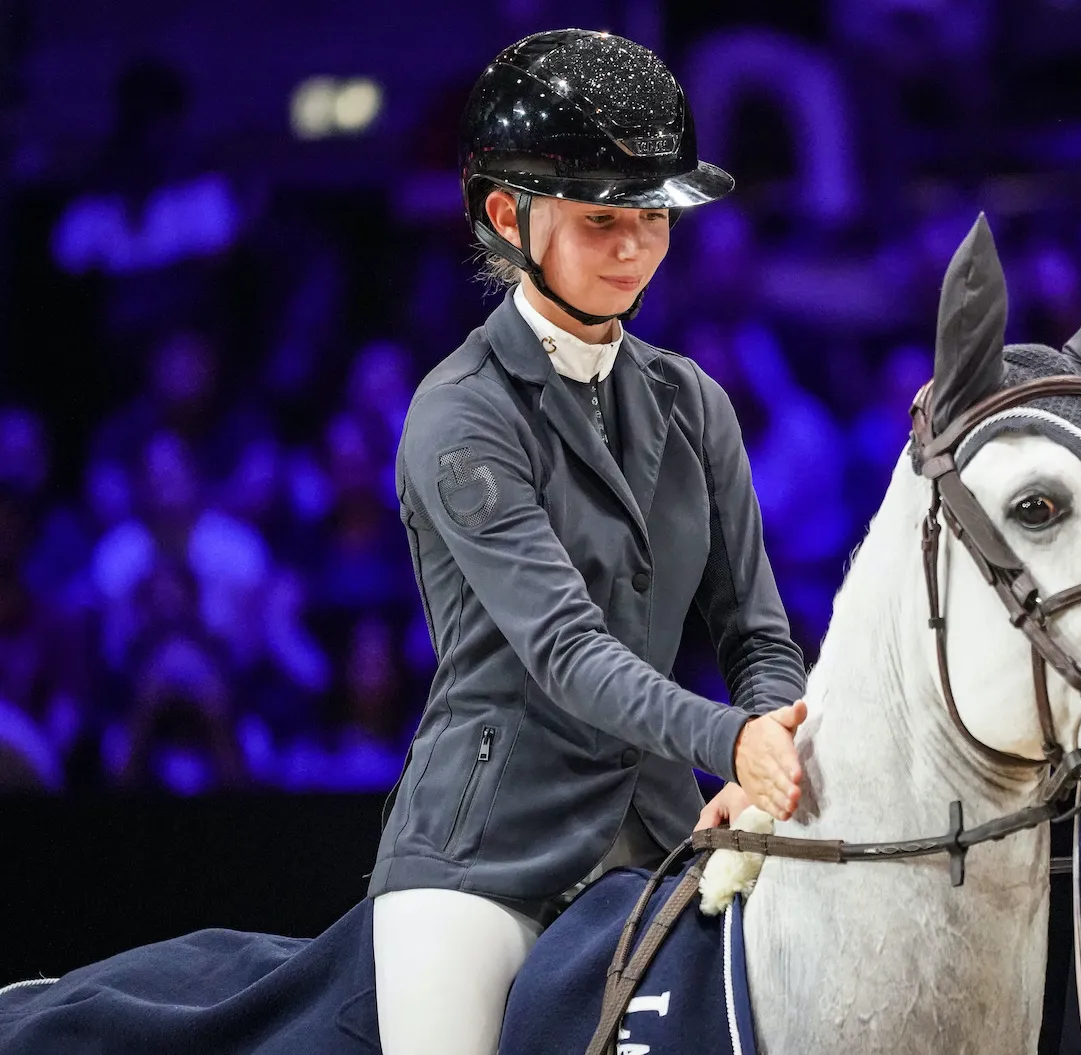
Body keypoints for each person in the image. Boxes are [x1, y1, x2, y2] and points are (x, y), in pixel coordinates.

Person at [368, 30, 808, 1055]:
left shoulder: (692, 400)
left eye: (651, 217)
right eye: (602, 219)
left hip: (665, 837)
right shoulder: (460, 414)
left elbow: (755, 629)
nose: (633, 247)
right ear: (505, 217)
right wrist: (728, 741)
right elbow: (564, 650)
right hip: (486, 854)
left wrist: (761, 753)